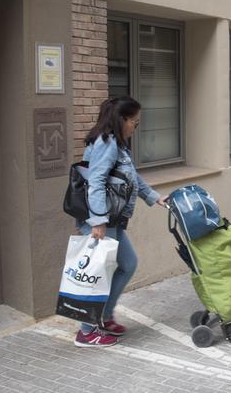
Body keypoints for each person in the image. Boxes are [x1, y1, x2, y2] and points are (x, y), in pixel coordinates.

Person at [73, 96, 167, 347]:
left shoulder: (118, 144)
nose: (136, 127)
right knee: (98, 273)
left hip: (111, 220)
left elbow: (131, 176)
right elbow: (96, 181)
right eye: (135, 122)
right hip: (101, 220)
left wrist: (154, 197)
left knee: (127, 264)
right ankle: (86, 331)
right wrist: (98, 221)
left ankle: (103, 316)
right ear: (122, 119)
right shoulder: (107, 143)